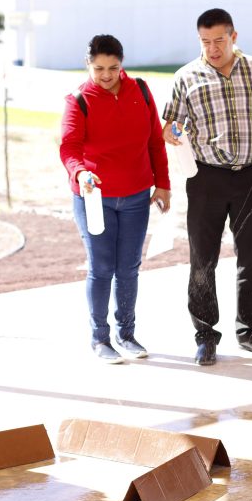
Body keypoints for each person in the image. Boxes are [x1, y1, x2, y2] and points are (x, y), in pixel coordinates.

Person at [162, 8, 252, 366]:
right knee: (203, 260)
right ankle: (205, 335)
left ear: (233, 36)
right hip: (206, 179)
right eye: (205, 42)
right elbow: (169, 126)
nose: (213, 48)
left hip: (251, 175)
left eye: (219, 40)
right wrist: (172, 133)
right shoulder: (186, 76)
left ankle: (250, 331)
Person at [60, 34, 171, 364]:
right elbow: (69, 148)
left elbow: (155, 141)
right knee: (102, 268)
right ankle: (100, 338)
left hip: (137, 195)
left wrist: (162, 184)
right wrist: (80, 173)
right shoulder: (78, 99)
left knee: (129, 268)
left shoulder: (140, 90)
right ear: (88, 65)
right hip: (95, 198)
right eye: (98, 69)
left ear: (122, 64)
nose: (106, 75)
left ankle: (127, 334)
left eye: (113, 67)